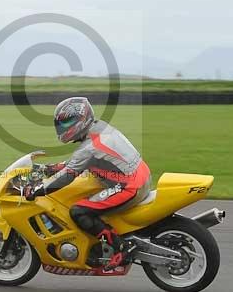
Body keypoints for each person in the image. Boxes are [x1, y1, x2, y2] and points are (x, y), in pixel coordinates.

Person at [23, 97, 151, 270]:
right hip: (140, 175)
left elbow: (68, 175)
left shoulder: (88, 147)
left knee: (78, 211)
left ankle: (121, 247)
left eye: (67, 122)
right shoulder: (99, 127)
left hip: (130, 186)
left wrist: (39, 190)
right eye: (61, 123)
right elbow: (77, 163)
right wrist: (47, 169)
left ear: (80, 120)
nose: (63, 127)